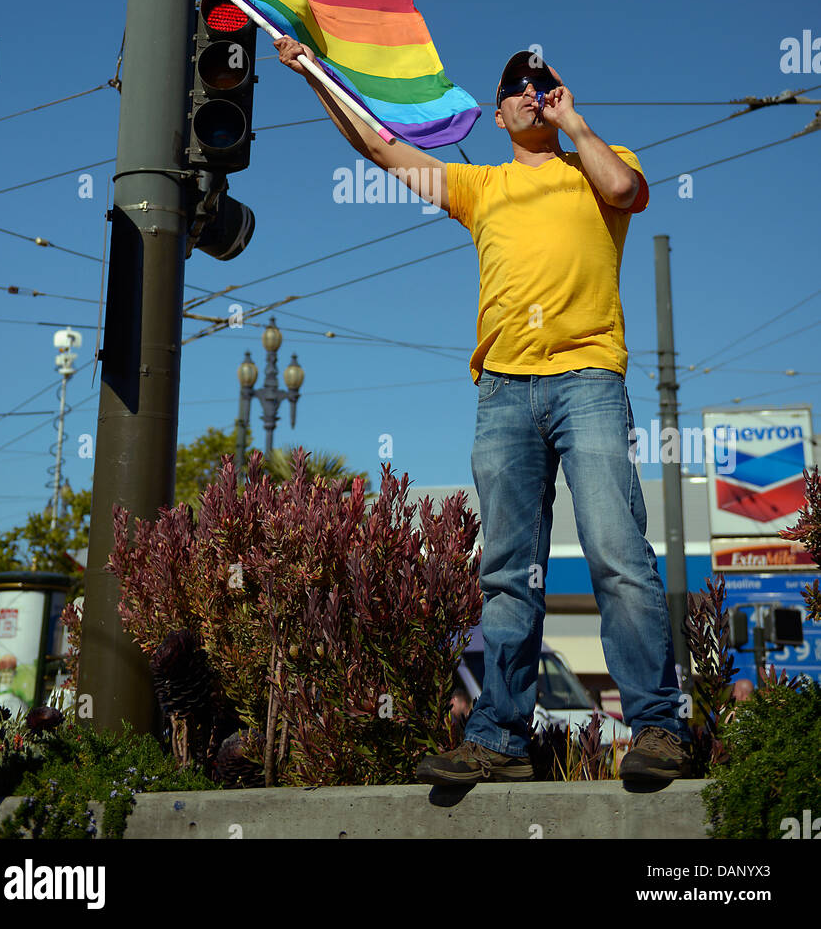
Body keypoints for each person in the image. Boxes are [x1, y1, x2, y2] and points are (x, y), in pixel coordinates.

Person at [274, 38, 692, 785]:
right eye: (518, 89)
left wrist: (577, 124)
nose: (533, 93)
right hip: (501, 392)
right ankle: (498, 739)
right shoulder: (480, 185)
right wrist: (311, 72)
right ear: (497, 114)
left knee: (616, 552)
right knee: (506, 573)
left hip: (587, 379)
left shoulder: (596, 162)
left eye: (544, 84)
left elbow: (626, 192)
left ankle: (657, 730)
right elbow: (380, 147)